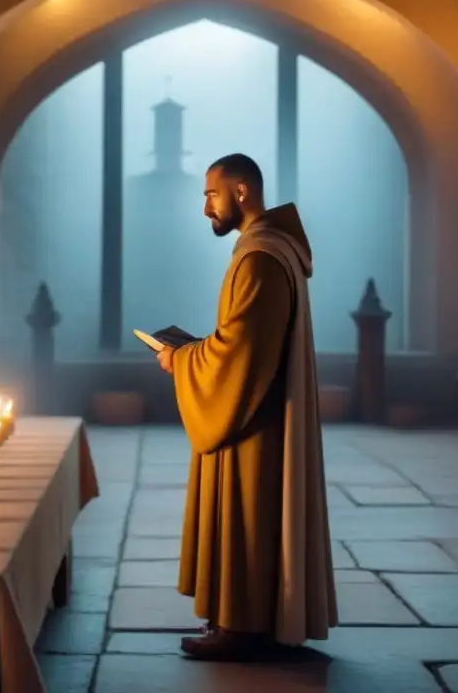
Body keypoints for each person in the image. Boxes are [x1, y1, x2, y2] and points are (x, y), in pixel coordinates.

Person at [156, 153, 338, 661]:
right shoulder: (265, 249)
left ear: (241, 193)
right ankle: (241, 620)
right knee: (251, 515)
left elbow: (240, 353)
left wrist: (182, 357)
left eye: (211, 195)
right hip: (262, 409)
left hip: (255, 424)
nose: (205, 209)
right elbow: (242, 339)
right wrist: (198, 351)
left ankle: (243, 626)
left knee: (249, 512)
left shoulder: (259, 256)